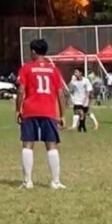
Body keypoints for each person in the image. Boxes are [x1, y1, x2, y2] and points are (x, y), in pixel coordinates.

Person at [16, 39, 66, 190]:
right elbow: (60, 93)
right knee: (51, 145)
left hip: (30, 110)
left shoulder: (26, 68)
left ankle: (27, 181)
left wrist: (18, 109)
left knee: (27, 144)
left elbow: (20, 90)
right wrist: (62, 115)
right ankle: (55, 181)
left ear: (33, 51)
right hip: (49, 111)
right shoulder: (53, 70)